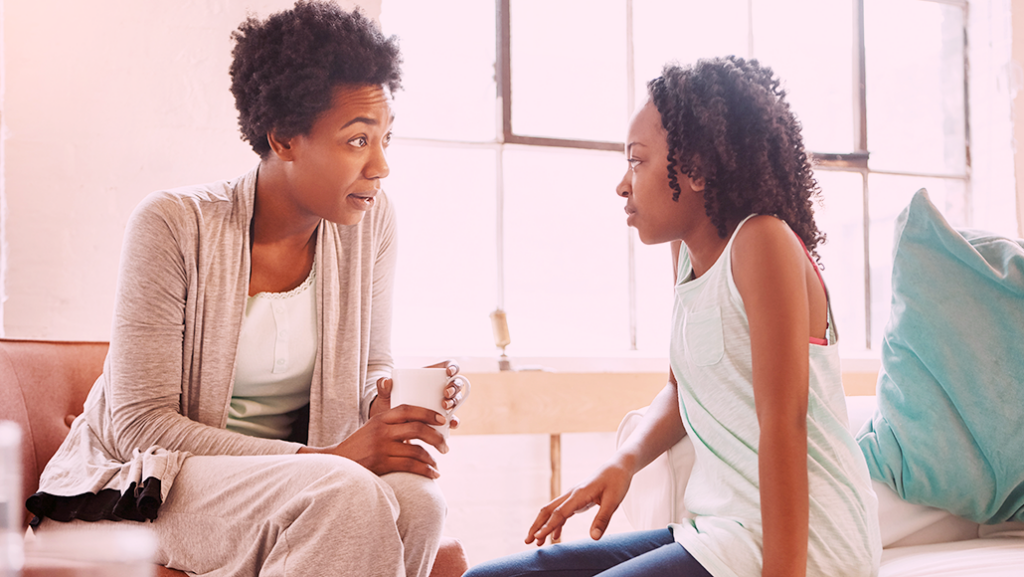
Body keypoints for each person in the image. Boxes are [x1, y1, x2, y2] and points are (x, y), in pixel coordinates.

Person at [26, 2, 468, 576]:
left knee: (418, 501)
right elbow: (140, 424)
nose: (381, 166)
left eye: (386, 137)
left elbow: (366, 365)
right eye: (358, 140)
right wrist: (328, 458)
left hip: (295, 479)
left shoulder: (370, 222)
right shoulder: (173, 223)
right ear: (284, 138)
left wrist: (381, 403)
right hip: (144, 481)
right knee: (341, 491)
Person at [465, 56, 881, 577]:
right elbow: (682, 389)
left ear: (698, 170)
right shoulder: (687, 254)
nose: (623, 184)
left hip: (805, 542)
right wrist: (625, 461)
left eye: (637, 162)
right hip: (718, 530)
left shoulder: (763, 242)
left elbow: (784, 423)